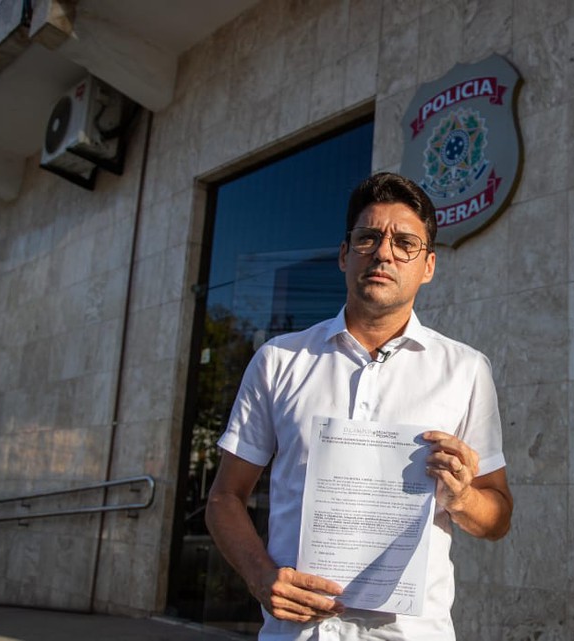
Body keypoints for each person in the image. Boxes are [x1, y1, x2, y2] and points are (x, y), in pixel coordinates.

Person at [205, 172, 513, 640]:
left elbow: (498, 516)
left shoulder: (466, 370)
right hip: (298, 634)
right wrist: (260, 576)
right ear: (346, 254)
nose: (384, 252)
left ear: (427, 265)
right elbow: (225, 498)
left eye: (405, 242)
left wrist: (463, 497)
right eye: (368, 237)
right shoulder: (279, 361)